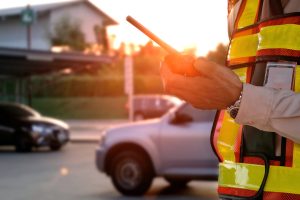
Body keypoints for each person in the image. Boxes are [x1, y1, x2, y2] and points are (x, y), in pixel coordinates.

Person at [160, 0, 300, 199]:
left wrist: (240, 98)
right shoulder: (241, 9)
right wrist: (203, 78)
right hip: (239, 193)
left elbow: (241, 94)